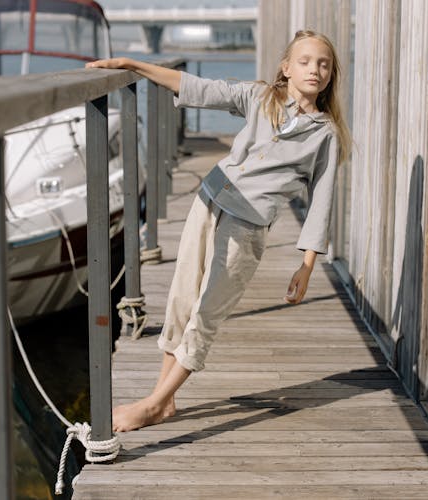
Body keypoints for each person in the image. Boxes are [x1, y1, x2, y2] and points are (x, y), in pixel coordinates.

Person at [86, 30, 351, 433]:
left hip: (246, 226)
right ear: (286, 68)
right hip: (209, 199)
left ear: (331, 74)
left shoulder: (325, 134)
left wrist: (307, 265)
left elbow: (322, 201)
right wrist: (133, 65)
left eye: (323, 64)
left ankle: (153, 405)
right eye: (305, 61)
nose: (314, 69)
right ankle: (164, 398)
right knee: (181, 299)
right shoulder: (261, 97)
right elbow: (199, 88)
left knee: (206, 314)